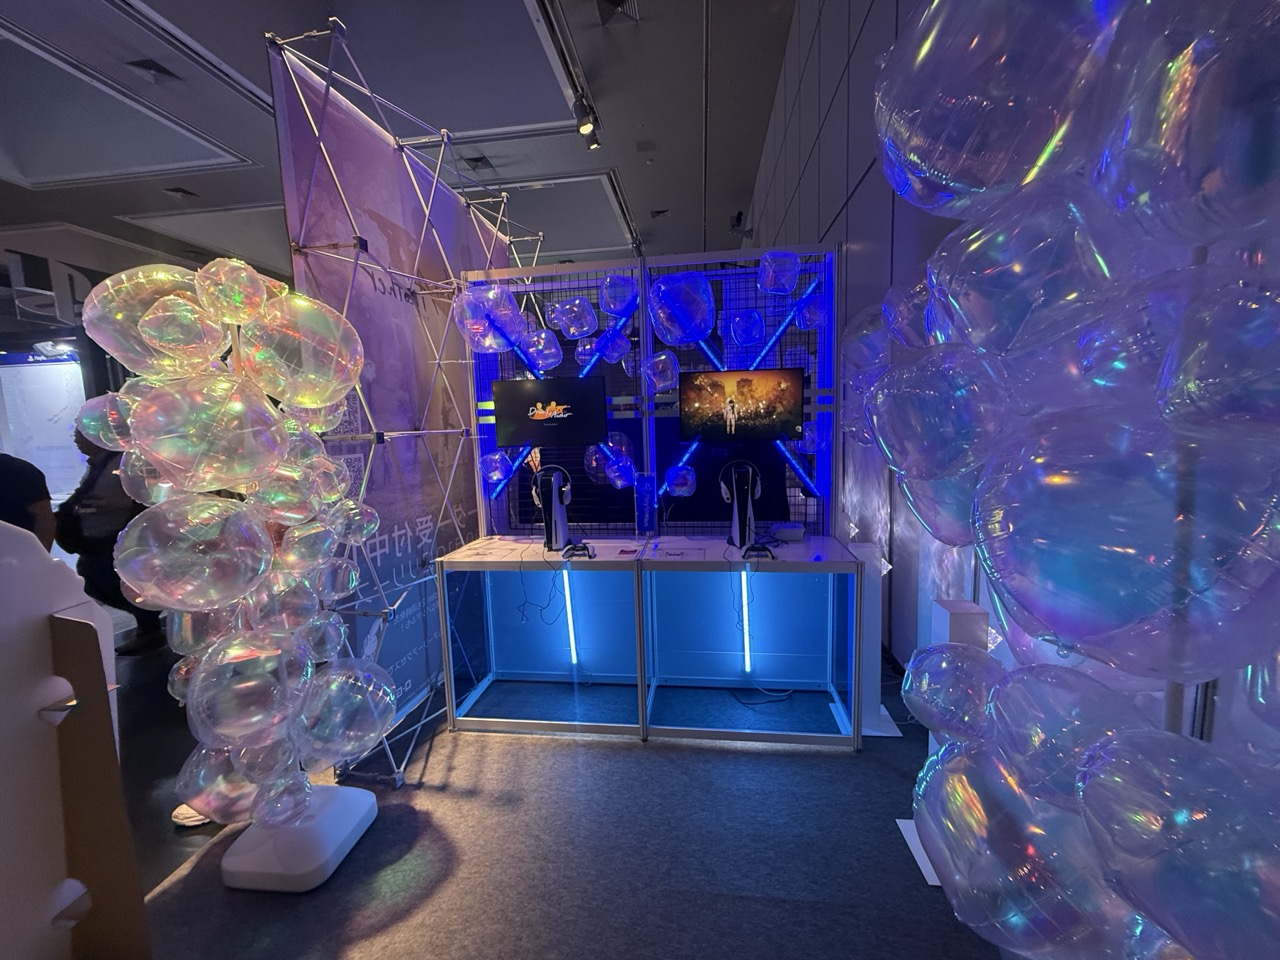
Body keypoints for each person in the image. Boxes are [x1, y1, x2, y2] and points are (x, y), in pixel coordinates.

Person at [57, 431, 164, 655]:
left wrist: (115, 506)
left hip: (118, 538)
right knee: (97, 580)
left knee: (114, 582)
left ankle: (149, 627)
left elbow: (148, 494)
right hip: (101, 538)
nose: (76, 439)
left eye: (80, 434)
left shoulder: (125, 462)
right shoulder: (100, 463)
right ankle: (148, 625)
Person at [0, 452, 55, 550]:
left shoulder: (18, 471)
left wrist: (39, 556)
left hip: (17, 551)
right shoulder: (20, 469)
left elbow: (44, 520)